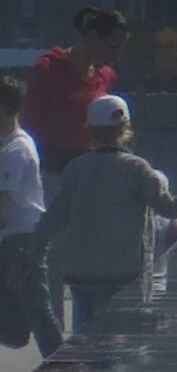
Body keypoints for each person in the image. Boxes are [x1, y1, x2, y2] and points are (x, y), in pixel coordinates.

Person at [29, 93, 177, 333]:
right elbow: (170, 207)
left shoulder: (75, 169)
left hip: (83, 274)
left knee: (84, 341)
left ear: (89, 130)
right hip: (125, 274)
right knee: (122, 346)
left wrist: (28, 252)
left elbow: (53, 218)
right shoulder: (137, 169)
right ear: (126, 128)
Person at [24, 5, 125, 175]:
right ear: (92, 37)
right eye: (112, 47)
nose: (117, 56)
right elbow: (30, 123)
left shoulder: (106, 75)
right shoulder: (48, 68)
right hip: (49, 169)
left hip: (90, 171)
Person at [0, 74, 60, 358]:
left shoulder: (17, 150)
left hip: (23, 241)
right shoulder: (8, 146)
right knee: (22, 315)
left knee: (38, 310)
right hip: (14, 239)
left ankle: (63, 362)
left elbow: (2, 203)